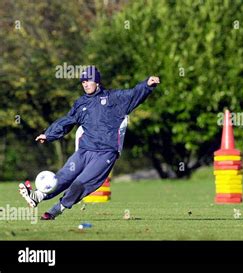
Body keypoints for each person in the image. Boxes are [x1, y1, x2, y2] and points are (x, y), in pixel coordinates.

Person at [19, 66, 160, 220]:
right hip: (84, 151)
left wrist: (147, 85)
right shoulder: (80, 103)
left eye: (89, 81)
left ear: (98, 82)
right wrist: (48, 134)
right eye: (83, 82)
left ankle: (55, 210)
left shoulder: (115, 98)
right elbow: (67, 121)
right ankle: (36, 196)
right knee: (64, 176)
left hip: (106, 153)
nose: (85, 84)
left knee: (80, 183)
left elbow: (134, 94)